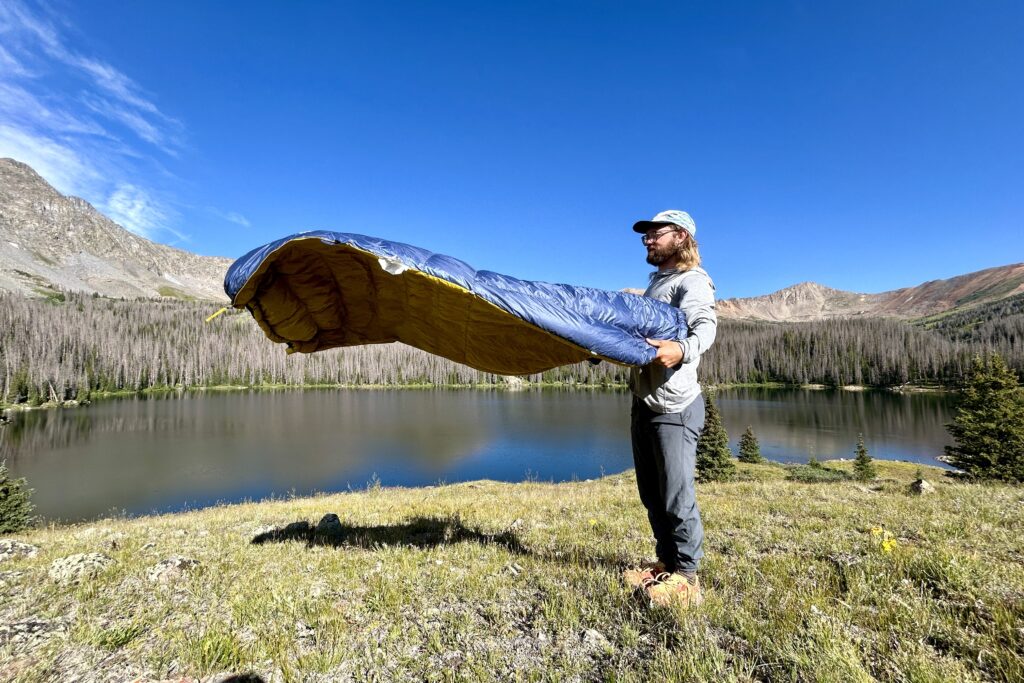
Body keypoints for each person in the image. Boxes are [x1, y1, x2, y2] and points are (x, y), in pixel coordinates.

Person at [622, 209, 718, 608]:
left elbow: (705, 326)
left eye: (655, 233)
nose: (647, 239)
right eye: (645, 234)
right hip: (645, 403)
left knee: (677, 495)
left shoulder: (691, 281)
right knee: (652, 492)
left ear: (680, 236)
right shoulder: (656, 283)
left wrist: (681, 349)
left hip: (674, 407)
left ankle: (688, 579)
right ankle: (666, 562)